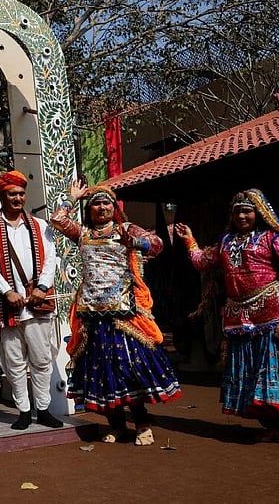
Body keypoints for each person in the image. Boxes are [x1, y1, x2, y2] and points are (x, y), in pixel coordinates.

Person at [174, 189, 279, 446]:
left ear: (259, 213)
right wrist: (189, 241)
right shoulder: (226, 242)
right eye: (237, 211)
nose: (242, 216)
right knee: (252, 378)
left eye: (247, 211)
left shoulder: (271, 239)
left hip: (274, 317)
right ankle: (274, 428)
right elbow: (202, 261)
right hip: (240, 319)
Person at [49, 181, 182, 446]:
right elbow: (57, 219)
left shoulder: (126, 229)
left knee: (129, 367)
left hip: (124, 313)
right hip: (92, 314)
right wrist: (72, 198)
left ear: (114, 207)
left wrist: (135, 242)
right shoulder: (83, 233)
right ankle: (117, 425)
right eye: (96, 203)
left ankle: (142, 423)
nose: (101, 207)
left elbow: (157, 245)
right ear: (90, 209)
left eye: (106, 203)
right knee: (100, 371)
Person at [0, 171, 64, 431]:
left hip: (38, 303)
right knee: (13, 361)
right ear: (2, 195)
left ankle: (44, 409)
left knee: (41, 358)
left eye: (21, 193)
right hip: (8, 306)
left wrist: (41, 287)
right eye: (12, 193)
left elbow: (51, 259)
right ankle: (24, 411)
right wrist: (7, 292)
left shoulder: (40, 226)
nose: (17, 198)